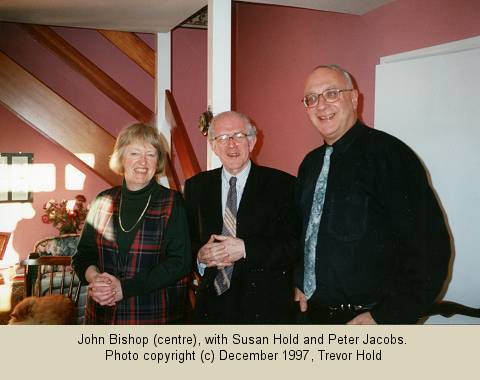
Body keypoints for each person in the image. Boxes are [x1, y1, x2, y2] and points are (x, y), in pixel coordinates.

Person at [294, 65, 451, 324]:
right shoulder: (310, 164)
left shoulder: (391, 156)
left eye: (331, 93)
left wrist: (387, 316)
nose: (321, 105)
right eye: (311, 98)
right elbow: (304, 234)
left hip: (368, 320)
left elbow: (430, 248)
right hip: (313, 314)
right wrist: (297, 279)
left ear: (354, 98)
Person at [184, 111, 299, 324]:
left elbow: (293, 245)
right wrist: (199, 256)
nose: (231, 145)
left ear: (252, 141)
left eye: (238, 136)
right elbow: (184, 242)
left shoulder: (283, 185)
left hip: (264, 309)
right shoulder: (196, 187)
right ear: (213, 145)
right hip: (211, 308)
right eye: (223, 138)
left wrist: (246, 248)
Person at [72, 123, 191, 324]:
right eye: (135, 153)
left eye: (151, 154)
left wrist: (124, 288)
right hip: (102, 316)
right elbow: (83, 255)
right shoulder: (102, 201)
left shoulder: (172, 202)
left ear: (158, 160)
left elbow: (180, 262)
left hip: (154, 317)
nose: (143, 162)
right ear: (122, 158)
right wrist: (95, 278)